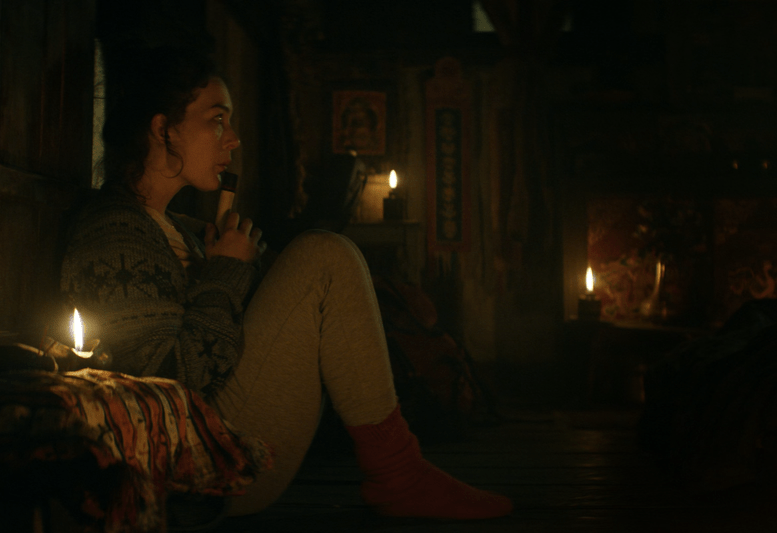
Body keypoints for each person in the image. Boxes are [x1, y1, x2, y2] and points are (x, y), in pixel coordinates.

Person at [60, 44, 511, 520]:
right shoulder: (115, 233)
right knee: (323, 254)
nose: (233, 139)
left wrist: (237, 269)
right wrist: (225, 273)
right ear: (162, 129)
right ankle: (398, 472)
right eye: (217, 120)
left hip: (223, 441)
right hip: (194, 473)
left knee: (324, 259)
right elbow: (165, 380)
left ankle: (399, 466)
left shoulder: (178, 229)